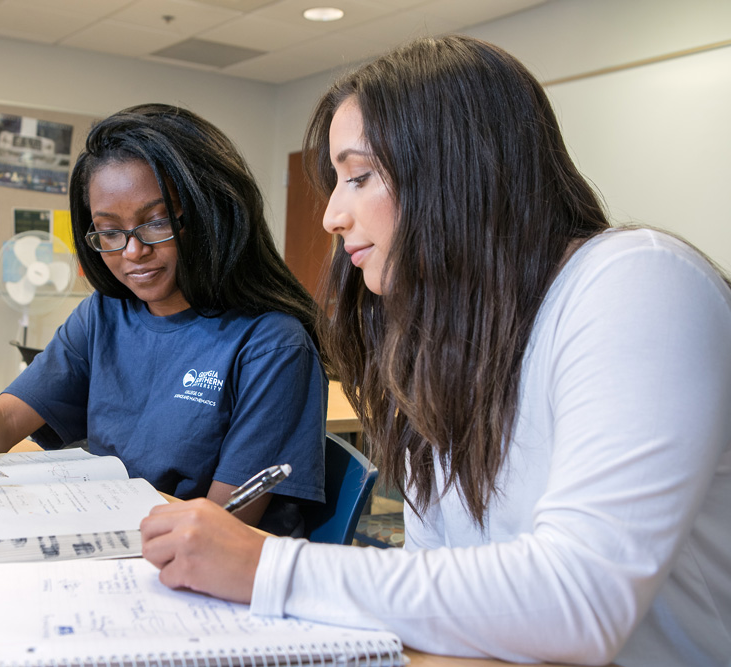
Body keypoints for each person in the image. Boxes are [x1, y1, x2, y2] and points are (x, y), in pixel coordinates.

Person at [140, 36, 731, 666]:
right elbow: (439, 577)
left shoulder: (639, 280)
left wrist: (267, 568)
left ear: (458, 170)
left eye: (358, 177)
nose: (332, 216)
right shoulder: (444, 341)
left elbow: (581, 600)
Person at [0, 103, 327, 536]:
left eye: (157, 222)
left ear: (212, 215)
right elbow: (6, 418)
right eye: (109, 231)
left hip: (195, 560)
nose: (133, 251)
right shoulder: (105, 313)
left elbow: (223, 527)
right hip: (111, 529)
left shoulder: (273, 344)